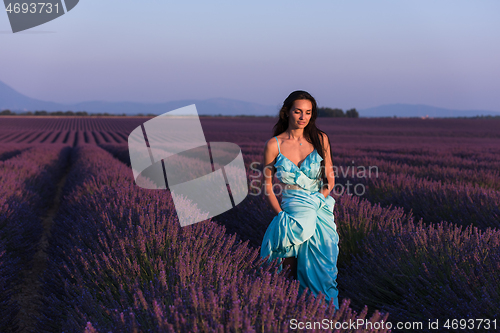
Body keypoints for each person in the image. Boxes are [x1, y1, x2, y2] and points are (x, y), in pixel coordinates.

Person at [260, 90, 339, 310]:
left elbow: (329, 181)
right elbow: (267, 186)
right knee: (286, 273)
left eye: (308, 112)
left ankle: (327, 318)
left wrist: (314, 203)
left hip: (318, 207)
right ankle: (290, 317)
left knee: (325, 269)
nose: (303, 117)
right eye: (298, 111)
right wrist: (281, 216)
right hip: (291, 210)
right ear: (287, 112)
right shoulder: (273, 145)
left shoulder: (320, 139)